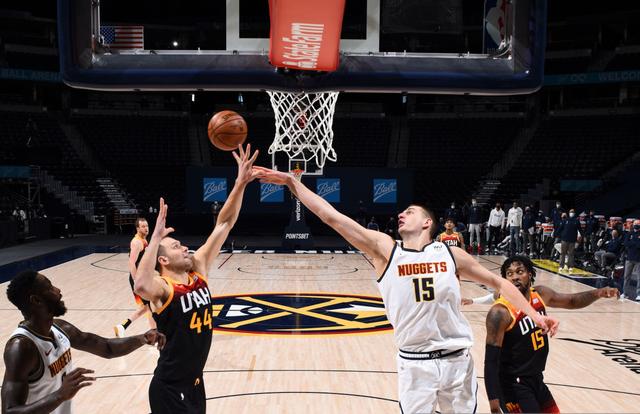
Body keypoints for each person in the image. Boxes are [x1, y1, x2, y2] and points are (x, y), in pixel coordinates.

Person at [254, 166, 558, 413]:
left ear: (427, 222)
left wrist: (534, 315)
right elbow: (330, 217)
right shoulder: (386, 250)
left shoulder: (449, 253)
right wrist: (292, 183)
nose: (402, 214)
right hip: (415, 364)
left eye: (409, 212)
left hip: (456, 361)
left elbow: (502, 283)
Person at [135, 144, 258, 414]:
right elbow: (141, 285)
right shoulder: (163, 288)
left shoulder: (197, 270)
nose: (185, 248)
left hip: (195, 384)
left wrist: (239, 184)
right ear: (163, 260)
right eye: (177, 246)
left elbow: (224, 224)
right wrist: (155, 239)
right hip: (169, 388)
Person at [2, 270, 165, 414]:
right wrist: (60, 395)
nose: (58, 291)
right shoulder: (21, 347)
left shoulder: (60, 328)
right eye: (50, 288)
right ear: (36, 300)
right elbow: (10, 411)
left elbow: (107, 348)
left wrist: (142, 338)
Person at [484, 256, 618, 413]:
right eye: (509, 274)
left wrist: (598, 293)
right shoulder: (500, 312)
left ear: (530, 274)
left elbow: (572, 301)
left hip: (536, 379)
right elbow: (491, 362)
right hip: (513, 385)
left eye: (520, 271)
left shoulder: (539, 294)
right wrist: (494, 405)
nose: (515, 277)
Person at [114, 217, 156, 337]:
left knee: (146, 306)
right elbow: (132, 263)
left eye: (147, 226)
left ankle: (122, 327)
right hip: (138, 279)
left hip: (143, 278)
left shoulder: (144, 240)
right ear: (137, 228)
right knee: (150, 306)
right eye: (143, 226)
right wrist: (136, 280)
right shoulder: (136, 242)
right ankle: (154, 334)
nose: (146, 228)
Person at [557, 209, 582, 273]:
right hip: (564, 239)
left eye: (573, 212)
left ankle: (570, 266)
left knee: (571, 254)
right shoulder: (566, 220)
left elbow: (580, 230)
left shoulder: (576, 221)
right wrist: (557, 235)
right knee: (563, 253)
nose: (572, 213)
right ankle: (561, 266)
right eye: (571, 212)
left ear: (574, 213)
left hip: (572, 240)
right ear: (569, 213)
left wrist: (582, 236)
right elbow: (560, 228)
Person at [621, 219, 640, 301]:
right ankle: (625, 293)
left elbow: (639, 245)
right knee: (626, 277)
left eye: (638, 223)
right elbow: (625, 243)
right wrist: (635, 243)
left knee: (639, 277)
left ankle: (639, 294)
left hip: (639, 259)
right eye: (635, 223)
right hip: (629, 258)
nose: (636, 224)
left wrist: (632, 243)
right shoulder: (629, 233)